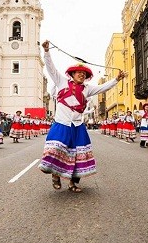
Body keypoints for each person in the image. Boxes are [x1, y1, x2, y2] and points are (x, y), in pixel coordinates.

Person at [38, 40, 126, 192]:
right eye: (79, 73)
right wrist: (46, 52)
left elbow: (102, 88)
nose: (81, 75)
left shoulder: (87, 89)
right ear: (72, 74)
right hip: (61, 123)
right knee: (57, 150)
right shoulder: (61, 82)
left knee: (79, 155)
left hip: (78, 126)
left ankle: (73, 183)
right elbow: (51, 68)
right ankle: (55, 175)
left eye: (84, 74)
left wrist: (117, 79)